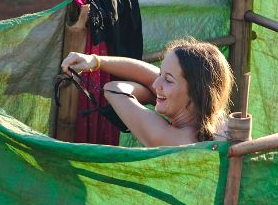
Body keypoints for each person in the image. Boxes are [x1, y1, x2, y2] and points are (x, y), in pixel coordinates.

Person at [61, 39, 234, 147]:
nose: (156, 83)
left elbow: (113, 89)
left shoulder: (169, 138)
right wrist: (94, 60)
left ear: (195, 93)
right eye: (160, 75)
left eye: (168, 80)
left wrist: (153, 97)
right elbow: (151, 76)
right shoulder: (221, 124)